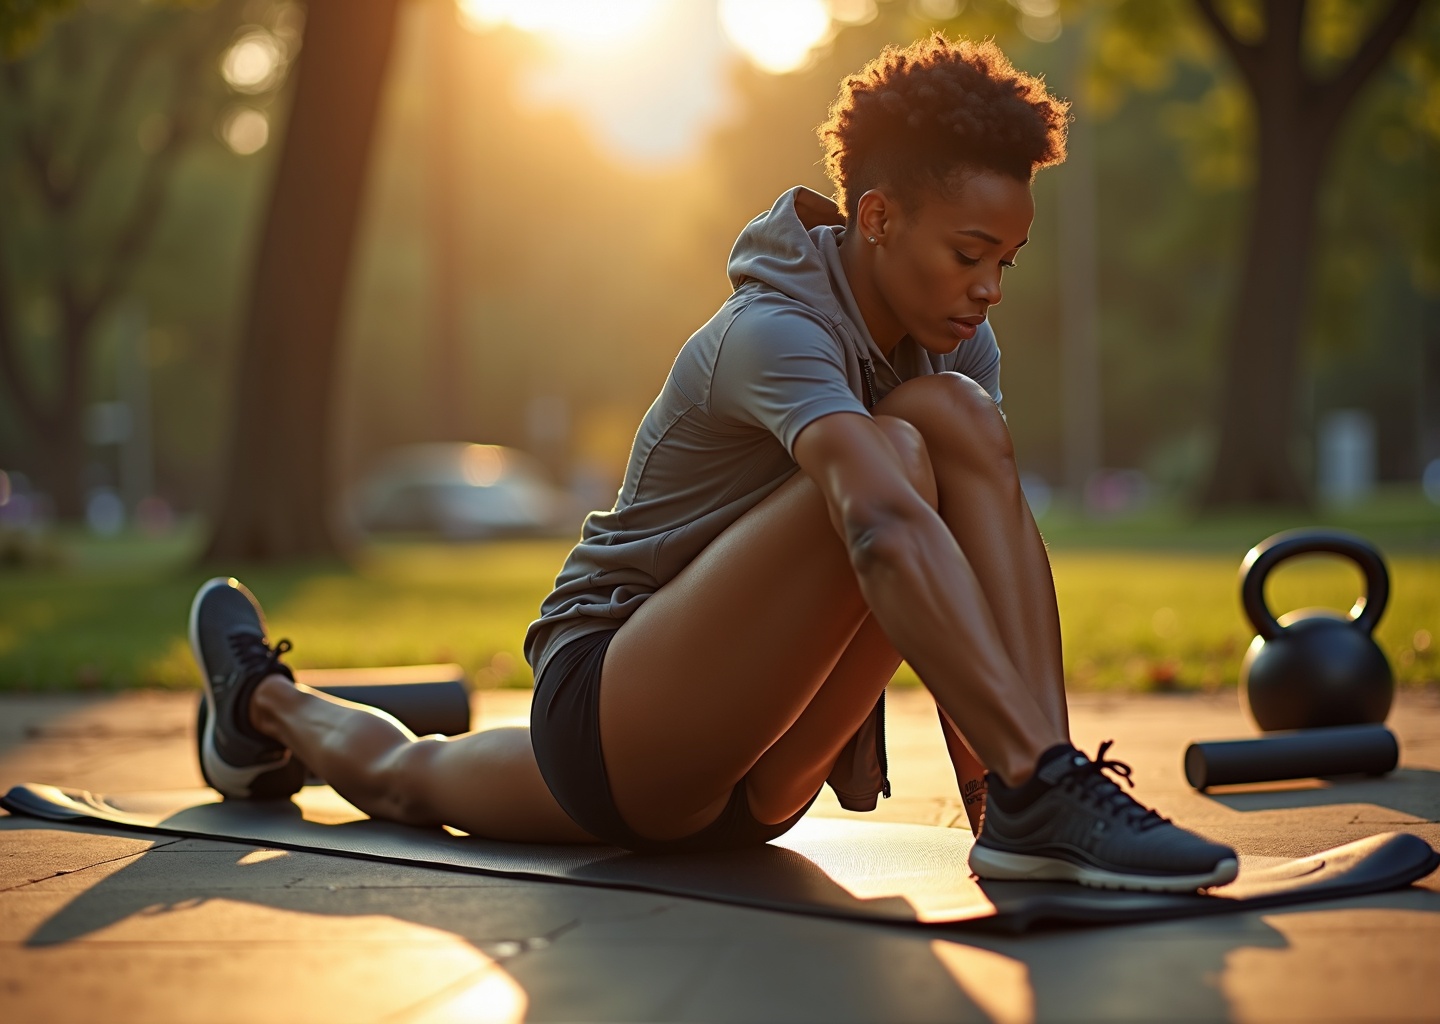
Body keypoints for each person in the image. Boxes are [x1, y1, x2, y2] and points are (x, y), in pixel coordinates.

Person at [193, 35, 1238, 892]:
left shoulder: (956, 341)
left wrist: (1003, 801)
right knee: (902, 448)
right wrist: (1031, 775)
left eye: (1006, 262)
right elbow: (880, 525)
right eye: (968, 255)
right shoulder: (772, 332)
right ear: (876, 218)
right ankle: (262, 702)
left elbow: (975, 539)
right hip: (615, 710)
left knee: (409, 771)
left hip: (766, 775)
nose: (988, 290)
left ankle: (1040, 794)